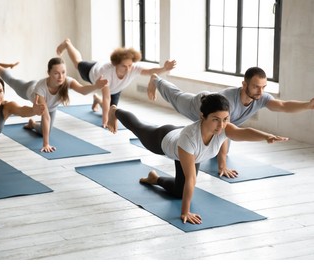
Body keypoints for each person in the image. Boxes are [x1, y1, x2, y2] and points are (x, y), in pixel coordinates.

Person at [106, 94, 288, 224]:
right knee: (139, 127)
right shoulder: (190, 138)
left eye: (225, 119)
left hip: (191, 150)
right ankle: (116, 111)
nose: (221, 125)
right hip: (164, 140)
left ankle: (155, 179)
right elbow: (192, 179)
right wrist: (185, 212)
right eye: (216, 119)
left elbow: (242, 133)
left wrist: (266, 136)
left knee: (179, 191)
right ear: (203, 116)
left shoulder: (223, 128)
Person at [147, 67, 314, 178]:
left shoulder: (261, 97)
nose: (261, 91)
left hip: (217, 121)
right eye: (256, 87)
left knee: (222, 139)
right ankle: (156, 79)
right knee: (175, 96)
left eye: (264, 87)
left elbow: (283, 106)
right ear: (244, 84)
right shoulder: (229, 101)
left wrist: (307, 105)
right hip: (200, 105)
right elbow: (224, 132)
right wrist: (222, 166)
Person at [0, 57, 108, 152]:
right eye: (56, 73)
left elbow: (82, 90)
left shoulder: (67, 81)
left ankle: (32, 124)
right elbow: (45, 116)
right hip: (29, 89)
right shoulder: (41, 88)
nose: (60, 76)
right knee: (12, 81)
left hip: (51, 107)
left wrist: (95, 86)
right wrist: (46, 144)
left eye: (63, 72)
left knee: (43, 132)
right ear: (49, 73)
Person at [56, 38, 177, 128]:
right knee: (78, 63)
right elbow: (107, 96)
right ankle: (67, 43)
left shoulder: (133, 68)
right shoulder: (107, 72)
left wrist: (164, 69)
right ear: (115, 64)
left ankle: (96, 100)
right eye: (124, 66)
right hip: (92, 72)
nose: (128, 69)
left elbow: (149, 71)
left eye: (130, 65)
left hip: (115, 90)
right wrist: (104, 121)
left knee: (112, 111)